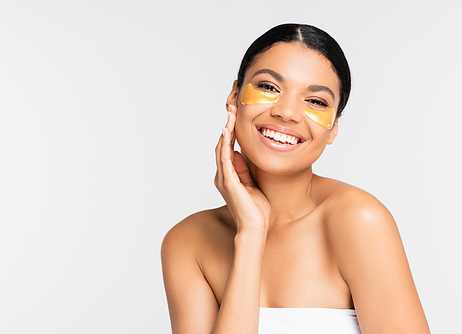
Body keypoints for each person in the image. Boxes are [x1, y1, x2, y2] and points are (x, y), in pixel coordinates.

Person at [161, 23, 430, 334]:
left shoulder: (359, 221)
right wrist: (250, 235)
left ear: (333, 129)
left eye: (316, 101)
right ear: (234, 96)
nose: (287, 112)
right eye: (269, 87)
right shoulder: (188, 243)